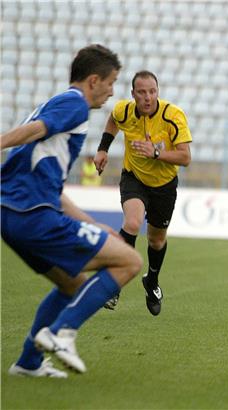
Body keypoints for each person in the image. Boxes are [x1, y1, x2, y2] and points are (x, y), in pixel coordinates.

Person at [1, 44, 143, 377]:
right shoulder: (75, 105)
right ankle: (62, 332)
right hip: (33, 216)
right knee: (130, 260)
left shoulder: (57, 105)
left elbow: (55, 190)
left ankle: (28, 363)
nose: (112, 91)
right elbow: (37, 130)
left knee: (72, 284)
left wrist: (95, 225)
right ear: (94, 80)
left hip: (12, 214)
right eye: (110, 82)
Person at [94, 71, 192, 316]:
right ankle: (114, 280)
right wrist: (103, 149)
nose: (148, 97)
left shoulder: (173, 116)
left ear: (157, 92)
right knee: (133, 222)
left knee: (156, 240)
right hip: (134, 178)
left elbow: (185, 157)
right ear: (133, 95)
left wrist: (156, 153)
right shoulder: (124, 110)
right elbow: (113, 120)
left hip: (164, 186)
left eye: (152, 91)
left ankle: (152, 280)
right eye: (142, 92)